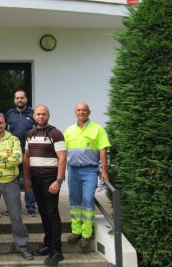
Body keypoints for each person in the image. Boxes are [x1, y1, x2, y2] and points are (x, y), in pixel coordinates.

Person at [0, 113, 33, 262]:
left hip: (11, 182)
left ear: (5, 124)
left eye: (0, 123)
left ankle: (22, 247)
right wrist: (5, 158)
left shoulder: (13, 139)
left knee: (16, 218)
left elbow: (17, 158)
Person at [24, 105, 67, 266]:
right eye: (38, 114)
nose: (41, 116)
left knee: (52, 213)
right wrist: (27, 179)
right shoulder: (30, 134)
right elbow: (26, 158)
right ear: (34, 116)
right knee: (43, 212)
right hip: (35, 180)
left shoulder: (55, 133)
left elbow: (62, 158)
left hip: (51, 180)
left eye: (44, 114)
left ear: (48, 115)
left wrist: (59, 180)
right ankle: (48, 245)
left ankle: (57, 250)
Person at [64, 102, 110, 249]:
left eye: (84, 110)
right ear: (75, 112)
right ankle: (76, 231)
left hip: (90, 170)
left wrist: (104, 171)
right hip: (73, 171)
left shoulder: (98, 129)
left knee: (88, 200)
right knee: (74, 201)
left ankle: (86, 233)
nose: (81, 112)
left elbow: (103, 151)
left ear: (89, 112)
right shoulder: (69, 130)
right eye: (79, 110)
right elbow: (63, 153)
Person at [5, 90, 38, 216]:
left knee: (29, 180)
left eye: (22, 98)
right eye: (17, 98)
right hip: (14, 153)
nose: (19, 100)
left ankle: (31, 207)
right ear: (14, 100)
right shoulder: (9, 114)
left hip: (29, 152)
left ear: (26, 99)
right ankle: (12, 207)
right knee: (12, 182)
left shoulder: (33, 113)